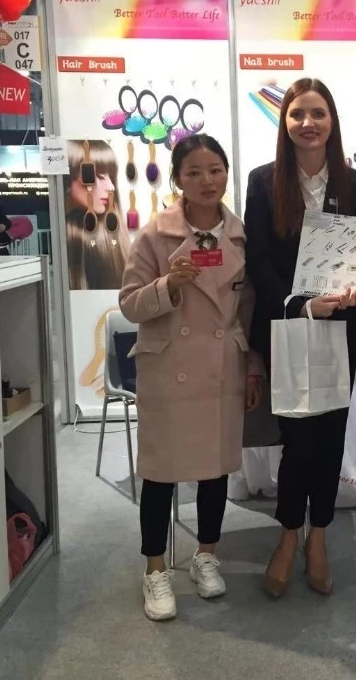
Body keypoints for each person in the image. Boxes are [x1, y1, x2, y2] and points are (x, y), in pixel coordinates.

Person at [119, 134, 264, 622]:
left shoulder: (241, 238)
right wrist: (168, 286)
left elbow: (246, 313)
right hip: (168, 369)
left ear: (227, 174)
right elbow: (129, 304)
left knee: (214, 469)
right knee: (160, 473)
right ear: (178, 178)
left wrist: (252, 369)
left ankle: (206, 555)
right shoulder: (154, 236)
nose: (206, 180)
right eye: (194, 172)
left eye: (215, 170)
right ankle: (155, 568)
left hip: (222, 365)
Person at [244, 78, 356, 598]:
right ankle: (289, 533)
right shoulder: (263, 181)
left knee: (331, 437)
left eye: (318, 113)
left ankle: (319, 536)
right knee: (297, 439)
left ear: (332, 121)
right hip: (288, 327)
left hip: (342, 329)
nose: (308, 123)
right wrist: (299, 305)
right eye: (298, 114)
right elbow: (258, 261)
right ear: (285, 122)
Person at [65, 139, 131, 290]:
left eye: (111, 177)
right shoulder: (65, 234)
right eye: (100, 177)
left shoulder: (114, 237)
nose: (111, 187)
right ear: (68, 179)